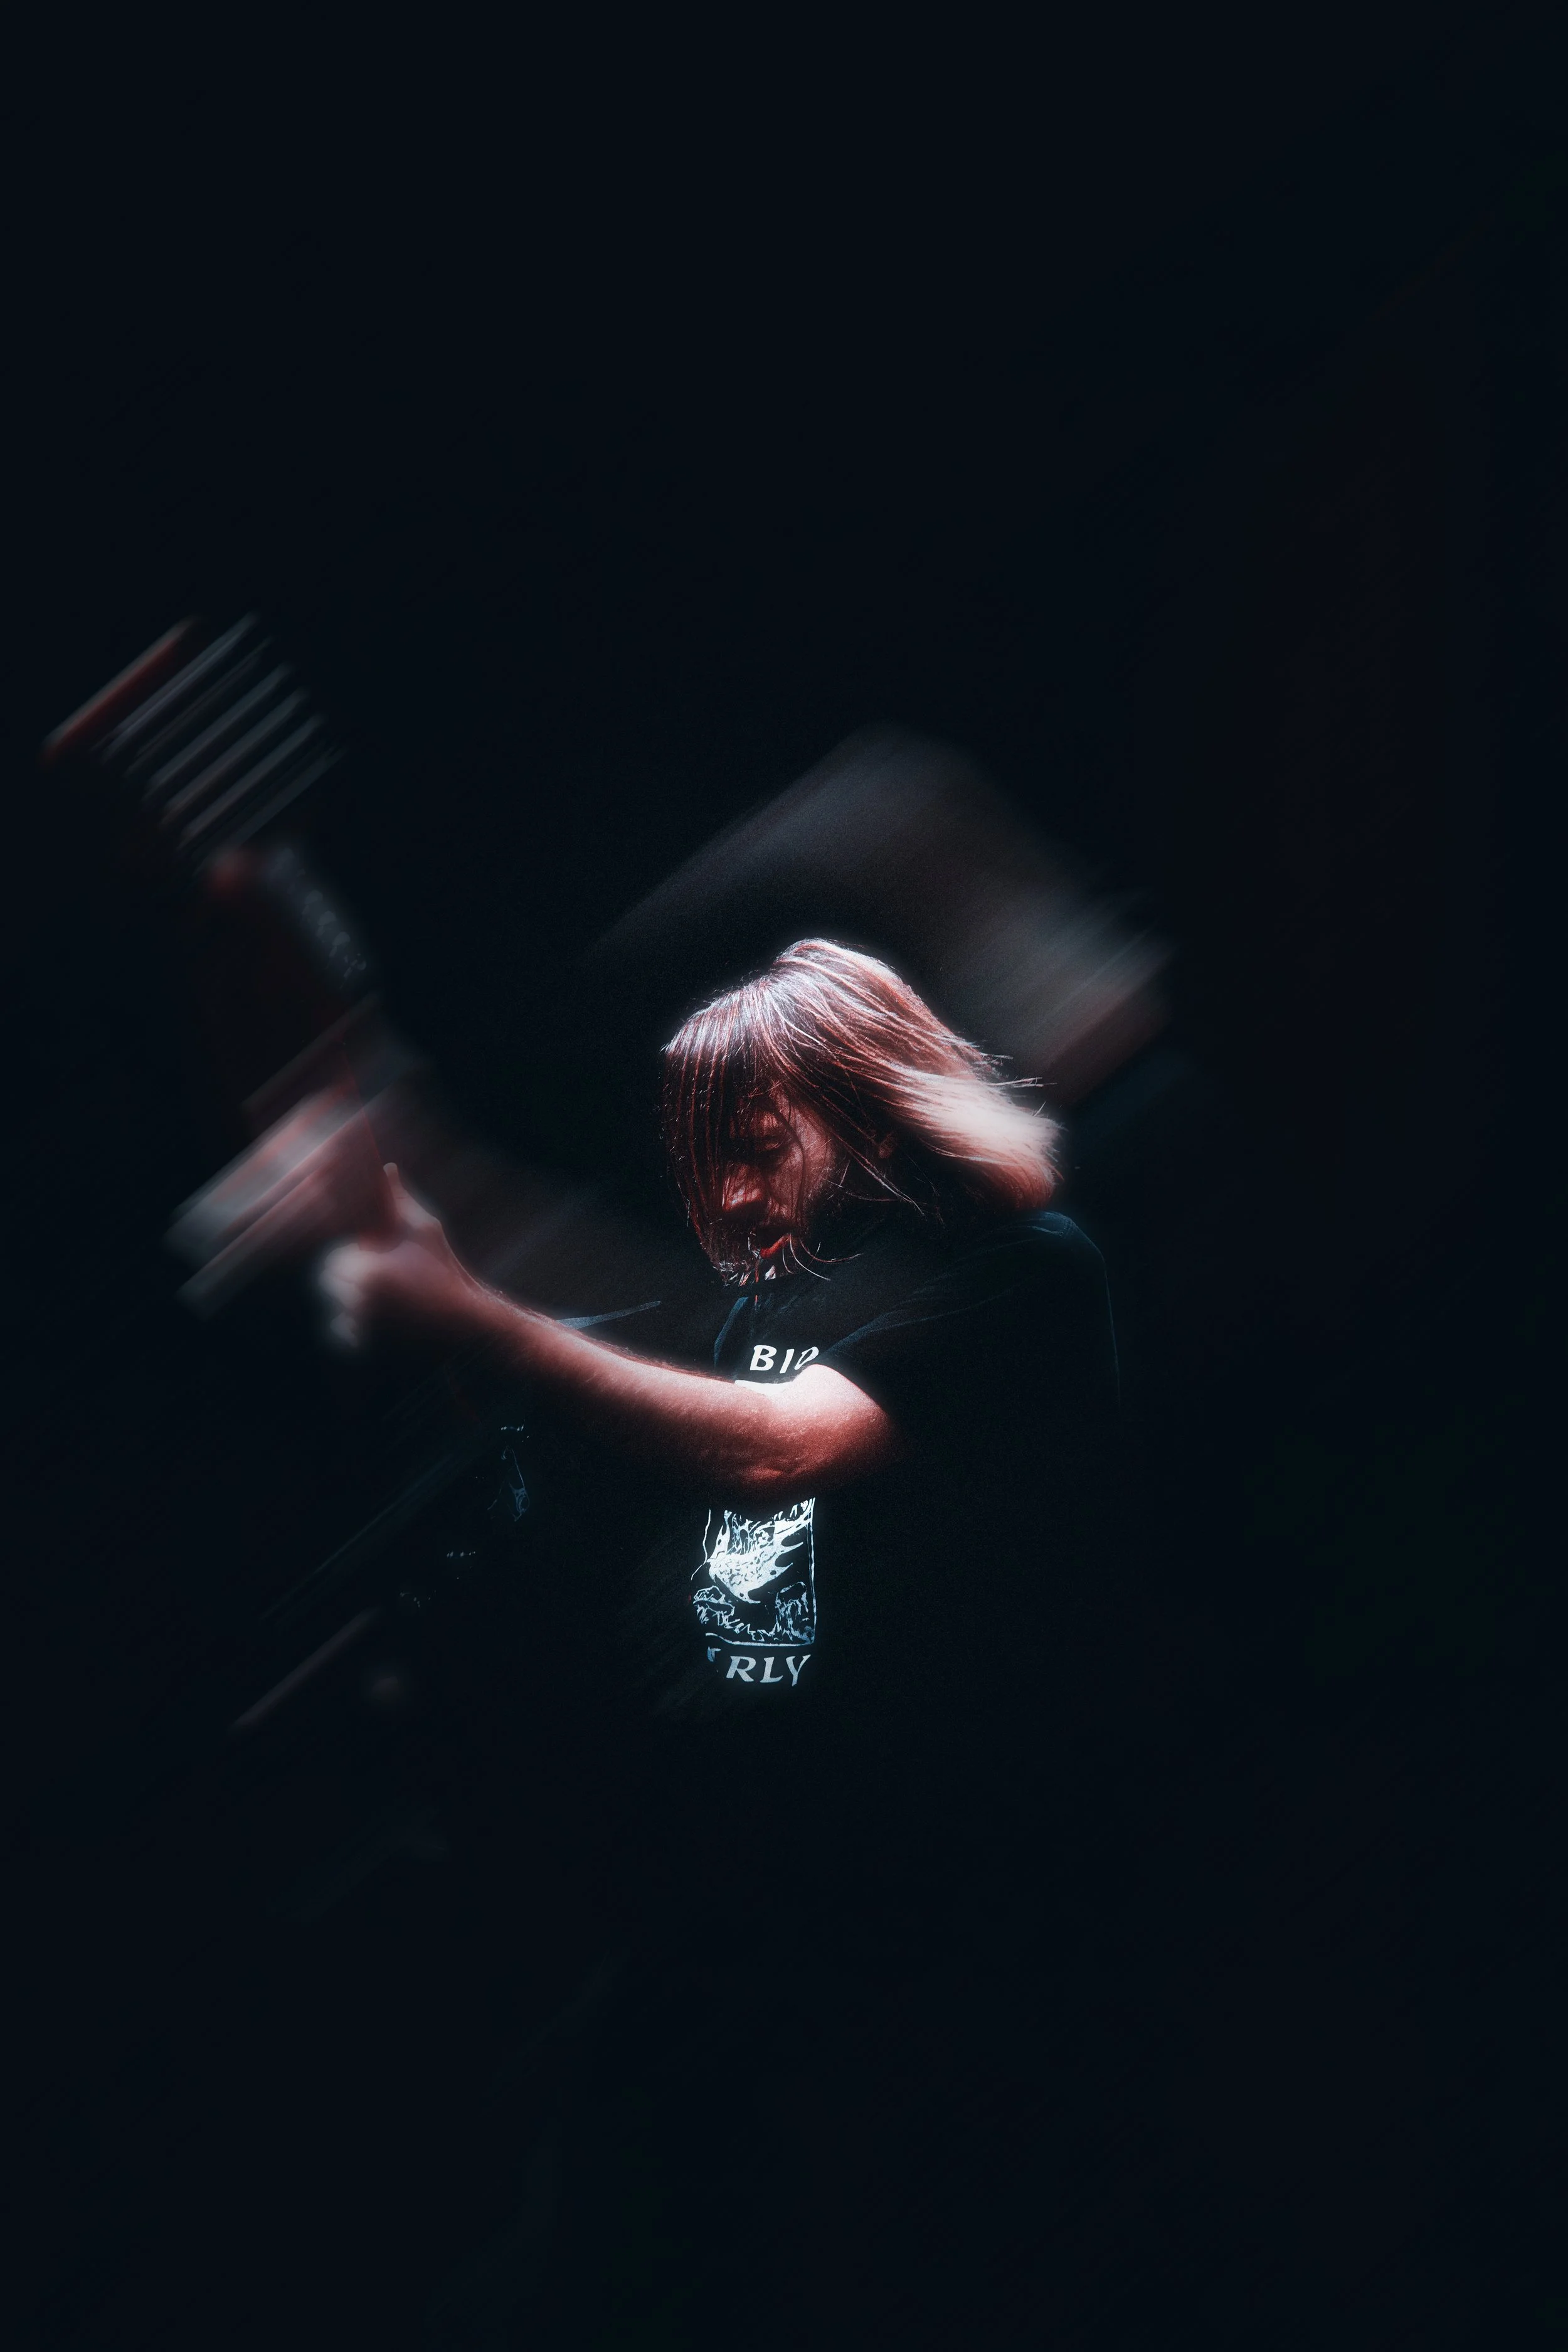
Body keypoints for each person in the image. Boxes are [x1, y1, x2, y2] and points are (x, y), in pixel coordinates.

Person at [320, 938, 1140, 2343]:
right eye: (712, 1161)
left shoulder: (1021, 1279)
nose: (735, 1195)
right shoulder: (780, 1301)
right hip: (729, 1905)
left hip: (930, 1916)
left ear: (877, 1108)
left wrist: (496, 1330)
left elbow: (779, 1454)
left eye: (763, 1147)